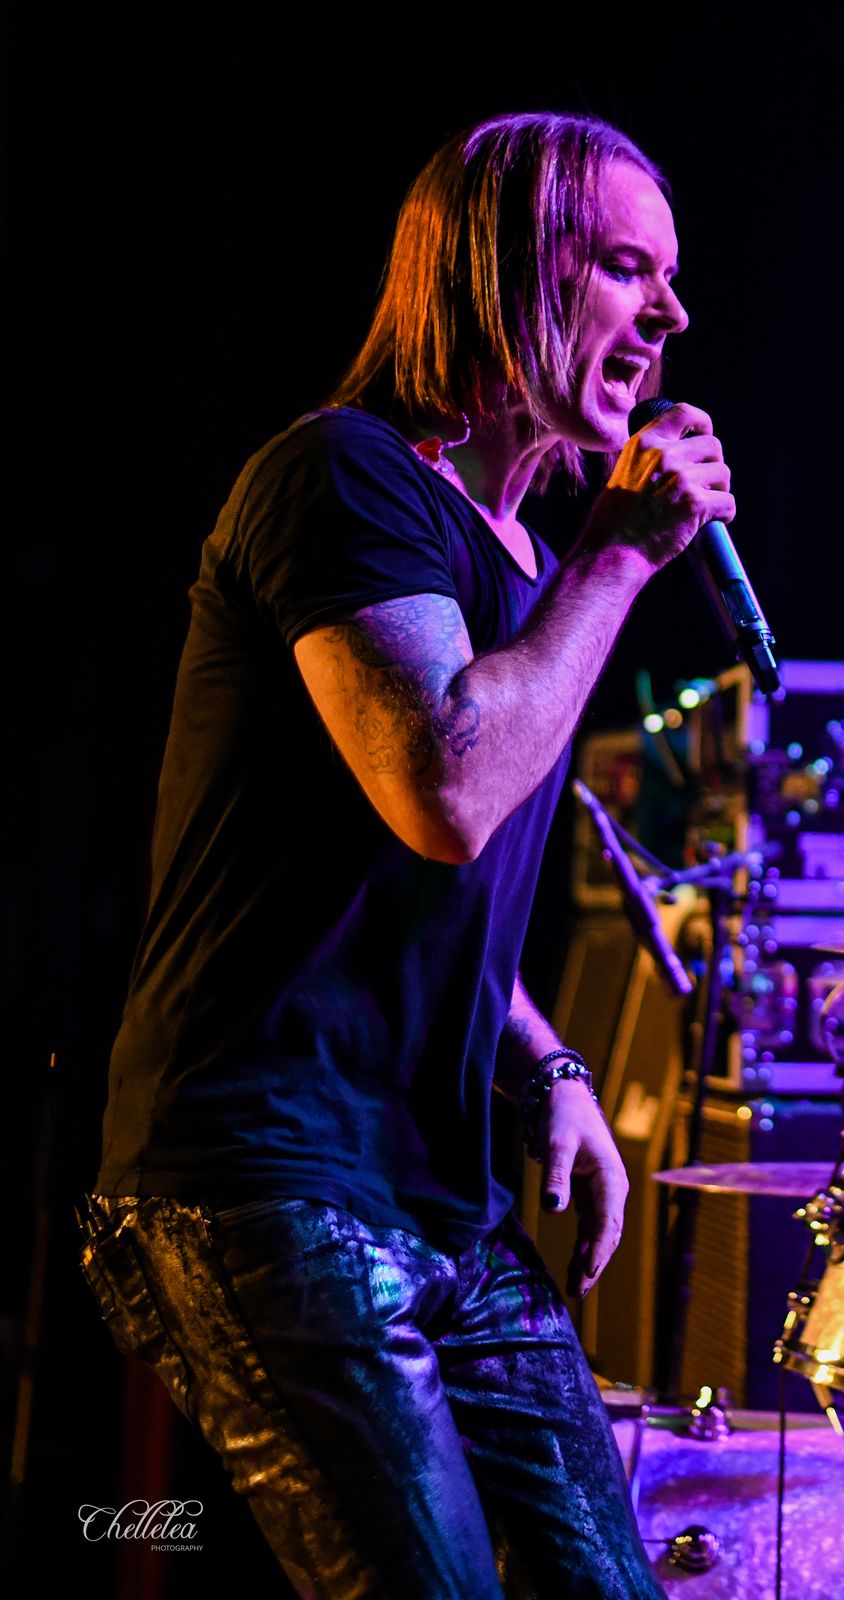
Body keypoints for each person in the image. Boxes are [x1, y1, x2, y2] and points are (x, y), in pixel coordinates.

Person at [79, 110, 734, 1599]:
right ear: (502, 272)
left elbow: (418, 892)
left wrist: (549, 1067)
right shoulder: (344, 478)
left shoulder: (527, 563)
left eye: (670, 276)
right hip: (268, 1175)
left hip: (436, 1195)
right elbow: (445, 787)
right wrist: (618, 559)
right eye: (626, 268)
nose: (672, 316)